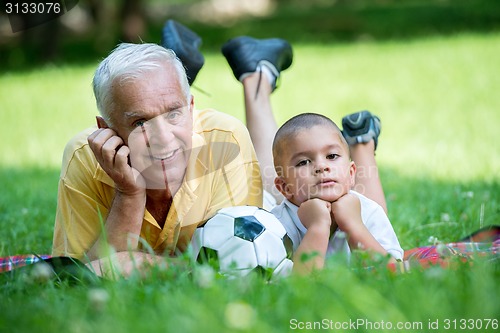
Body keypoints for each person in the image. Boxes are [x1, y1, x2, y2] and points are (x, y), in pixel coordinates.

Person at [52, 23, 263, 275]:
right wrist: (128, 194)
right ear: (105, 128)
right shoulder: (83, 156)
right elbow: (81, 278)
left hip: (270, 199)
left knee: (282, 183)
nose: (162, 138)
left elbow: (238, 265)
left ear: (192, 108)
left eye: (174, 113)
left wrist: (144, 264)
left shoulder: (225, 139)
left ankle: (257, 74)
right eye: (139, 122)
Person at [220, 36, 404, 274]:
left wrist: (354, 225)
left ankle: (361, 141)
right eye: (304, 162)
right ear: (284, 188)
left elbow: (393, 274)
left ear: (351, 173)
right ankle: (362, 138)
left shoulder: (368, 212)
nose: (321, 167)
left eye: (332, 157)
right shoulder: (277, 225)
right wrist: (318, 227)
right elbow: (299, 288)